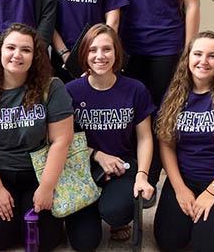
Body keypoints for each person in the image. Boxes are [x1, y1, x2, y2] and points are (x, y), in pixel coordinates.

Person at [113, 0, 203, 198]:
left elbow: (192, 5)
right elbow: (115, 5)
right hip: (129, 48)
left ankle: (150, 178)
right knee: (132, 113)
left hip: (167, 47)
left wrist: (190, 51)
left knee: (161, 114)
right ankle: (129, 174)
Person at [0, 23, 80, 251]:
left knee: (43, 243)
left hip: (38, 172)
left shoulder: (52, 88)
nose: (17, 55)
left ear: (35, 56)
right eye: (10, 48)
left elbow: (61, 141)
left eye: (26, 50)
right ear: (0, 52)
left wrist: (47, 188)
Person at [65, 24, 155, 242]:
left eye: (107, 49)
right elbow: (62, 140)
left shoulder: (135, 89)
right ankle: (92, 209)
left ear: (117, 53)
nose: (100, 56)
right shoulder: (70, 91)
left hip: (122, 166)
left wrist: (142, 176)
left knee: (115, 211)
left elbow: (144, 138)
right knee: (84, 243)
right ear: (84, 54)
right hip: (83, 166)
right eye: (93, 50)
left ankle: (114, 213)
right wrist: (97, 154)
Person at [154, 31, 214, 252]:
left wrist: (211, 193)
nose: (203, 61)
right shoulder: (175, 94)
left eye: (212, 56)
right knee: (169, 242)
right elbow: (166, 143)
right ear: (188, 58)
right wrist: (179, 188)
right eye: (198, 54)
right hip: (186, 179)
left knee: (208, 247)